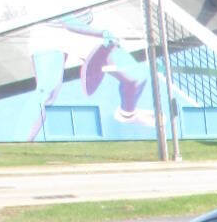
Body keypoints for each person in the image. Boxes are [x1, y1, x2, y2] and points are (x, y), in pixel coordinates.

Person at [26, 11, 153, 141]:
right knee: (47, 91)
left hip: (86, 26)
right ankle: (19, 145)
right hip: (49, 31)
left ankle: (127, 115)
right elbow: (68, 21)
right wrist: (102, 33)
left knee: (137, 76)